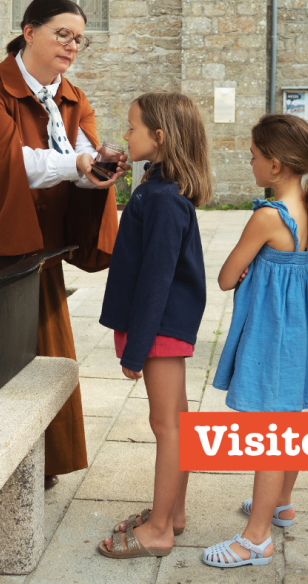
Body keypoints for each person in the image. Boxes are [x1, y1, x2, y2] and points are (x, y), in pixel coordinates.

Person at [0, 0, 122, 489]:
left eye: (79, 39)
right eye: (62, 34)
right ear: (29, 31)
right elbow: (14, 163)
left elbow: (81, 156)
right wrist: (77, 164)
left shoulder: (72, 95)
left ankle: (40, 462)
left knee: (43, 355)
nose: (72, 45)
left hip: (37, 248)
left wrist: (97, 170)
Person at [201, 114, 308, 568]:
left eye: (254, 156)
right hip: (298, 327)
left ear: (275, 165)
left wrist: (242, 269)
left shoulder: (267, 216)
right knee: (290, 421)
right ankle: (282, 503)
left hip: (269, 329)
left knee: (270, 433)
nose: (249, 161)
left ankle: (256, 538)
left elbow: (223, 278)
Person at [97, 92, 212, 560]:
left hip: (159, 326)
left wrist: (136, 349)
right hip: (161, 325)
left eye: (132, 127)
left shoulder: (164, 199)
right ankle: (174, 512)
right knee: (175, 423)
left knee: (169, 427)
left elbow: (157, 279)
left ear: (159, 137)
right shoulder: (156, 187)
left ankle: (161, 529)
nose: (125, 134)